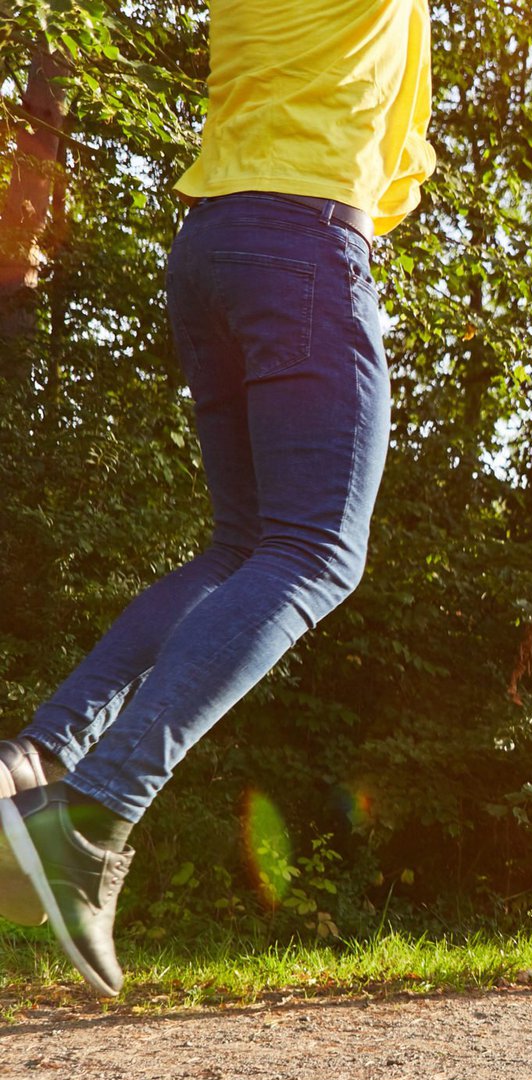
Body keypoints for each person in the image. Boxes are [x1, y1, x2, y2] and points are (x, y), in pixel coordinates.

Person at [0, 0, 435, 997]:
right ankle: (91, 816)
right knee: (318, 550)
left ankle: (37, 760)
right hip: (302, 235)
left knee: (243, 546)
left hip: (214, 241)